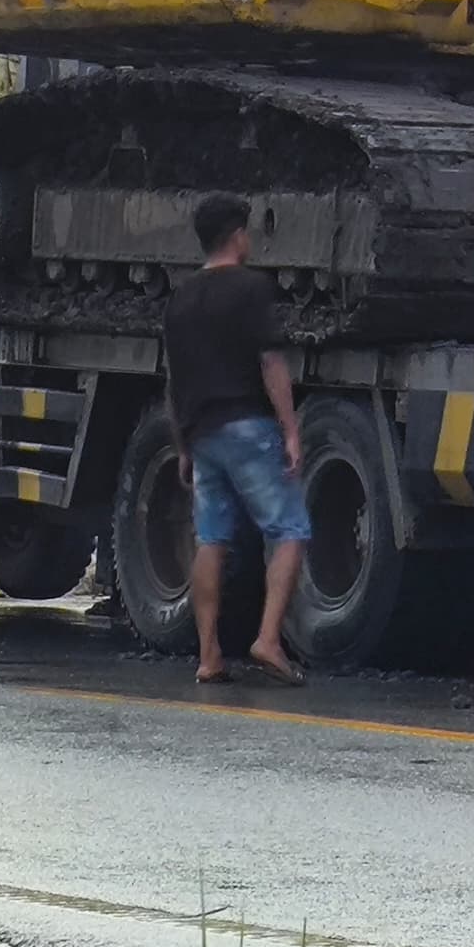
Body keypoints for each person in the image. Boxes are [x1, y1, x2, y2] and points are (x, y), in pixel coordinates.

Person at [161, 191, 308, 685]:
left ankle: (208, 656)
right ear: (238, 235)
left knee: (212, 539)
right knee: (288, 529)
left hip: (202, 433)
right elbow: (270, 361)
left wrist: (183, 445)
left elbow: (173, 381)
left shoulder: (180, 298)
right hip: (249, 427)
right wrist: (290, 430)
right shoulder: (251, 288)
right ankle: (268, 639)